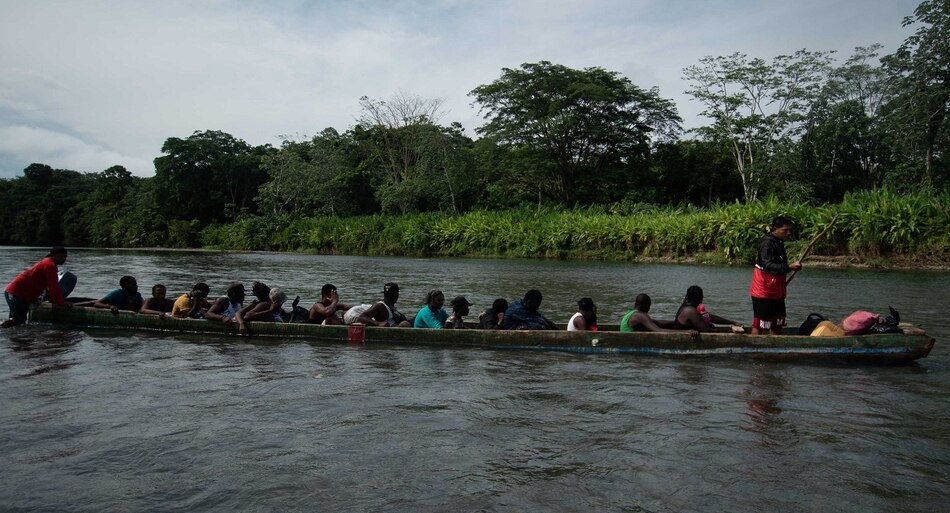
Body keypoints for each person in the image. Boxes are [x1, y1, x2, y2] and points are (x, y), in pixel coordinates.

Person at [750, 216, 802, 335]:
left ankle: (771, 349)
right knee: (760, 324)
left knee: (777, 322)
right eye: (785, 230)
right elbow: (768, 266)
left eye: (790, 230)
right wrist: (789, 267)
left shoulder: (779, 243)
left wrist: (791, 268)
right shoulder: (767, 244)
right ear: (775, 229)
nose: (788, 233)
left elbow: (779, 266)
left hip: (776, 291)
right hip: (764, 291)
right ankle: (755, 349)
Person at [4, 246, 73, 327]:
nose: (64, 259)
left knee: (17, 320)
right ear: (53, 256)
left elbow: (46, 285)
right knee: (19, 320)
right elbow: (53, 287)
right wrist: (61, 302)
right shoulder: (50, 265)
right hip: (15, 293)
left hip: (22, 294)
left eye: (65, 256)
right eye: (61, 256)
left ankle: (9, 333)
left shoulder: (48, 263)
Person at [673, 285, 740, 333]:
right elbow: (706, 330)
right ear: (700, 299)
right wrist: (718, 331)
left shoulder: (686, 307)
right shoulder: (691, 311)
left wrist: (732, 322)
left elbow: (709, 317)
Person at [343, 282, 410, 327]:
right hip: (352, 316)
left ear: (396, 295)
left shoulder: (391, 307)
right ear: (397, 295)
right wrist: (378, 324)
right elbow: (362, 317)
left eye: (390, 295)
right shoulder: (380, 306)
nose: (388, 298)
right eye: (387, 295)